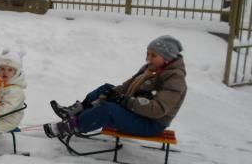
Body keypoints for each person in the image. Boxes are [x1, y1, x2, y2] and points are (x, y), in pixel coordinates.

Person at [44, 35, 187, 142]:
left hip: (150, 124)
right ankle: (75, 111)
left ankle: (70, 126)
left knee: (108, 109)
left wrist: (124, 101)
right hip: (137, 112)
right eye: (147, 53)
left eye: (153, 55)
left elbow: (157, 109)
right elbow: (127, 86)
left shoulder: (175, 78)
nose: (147, 58)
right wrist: (114, 93)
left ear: (167, 58)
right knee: (106, 88)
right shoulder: (150, 69)